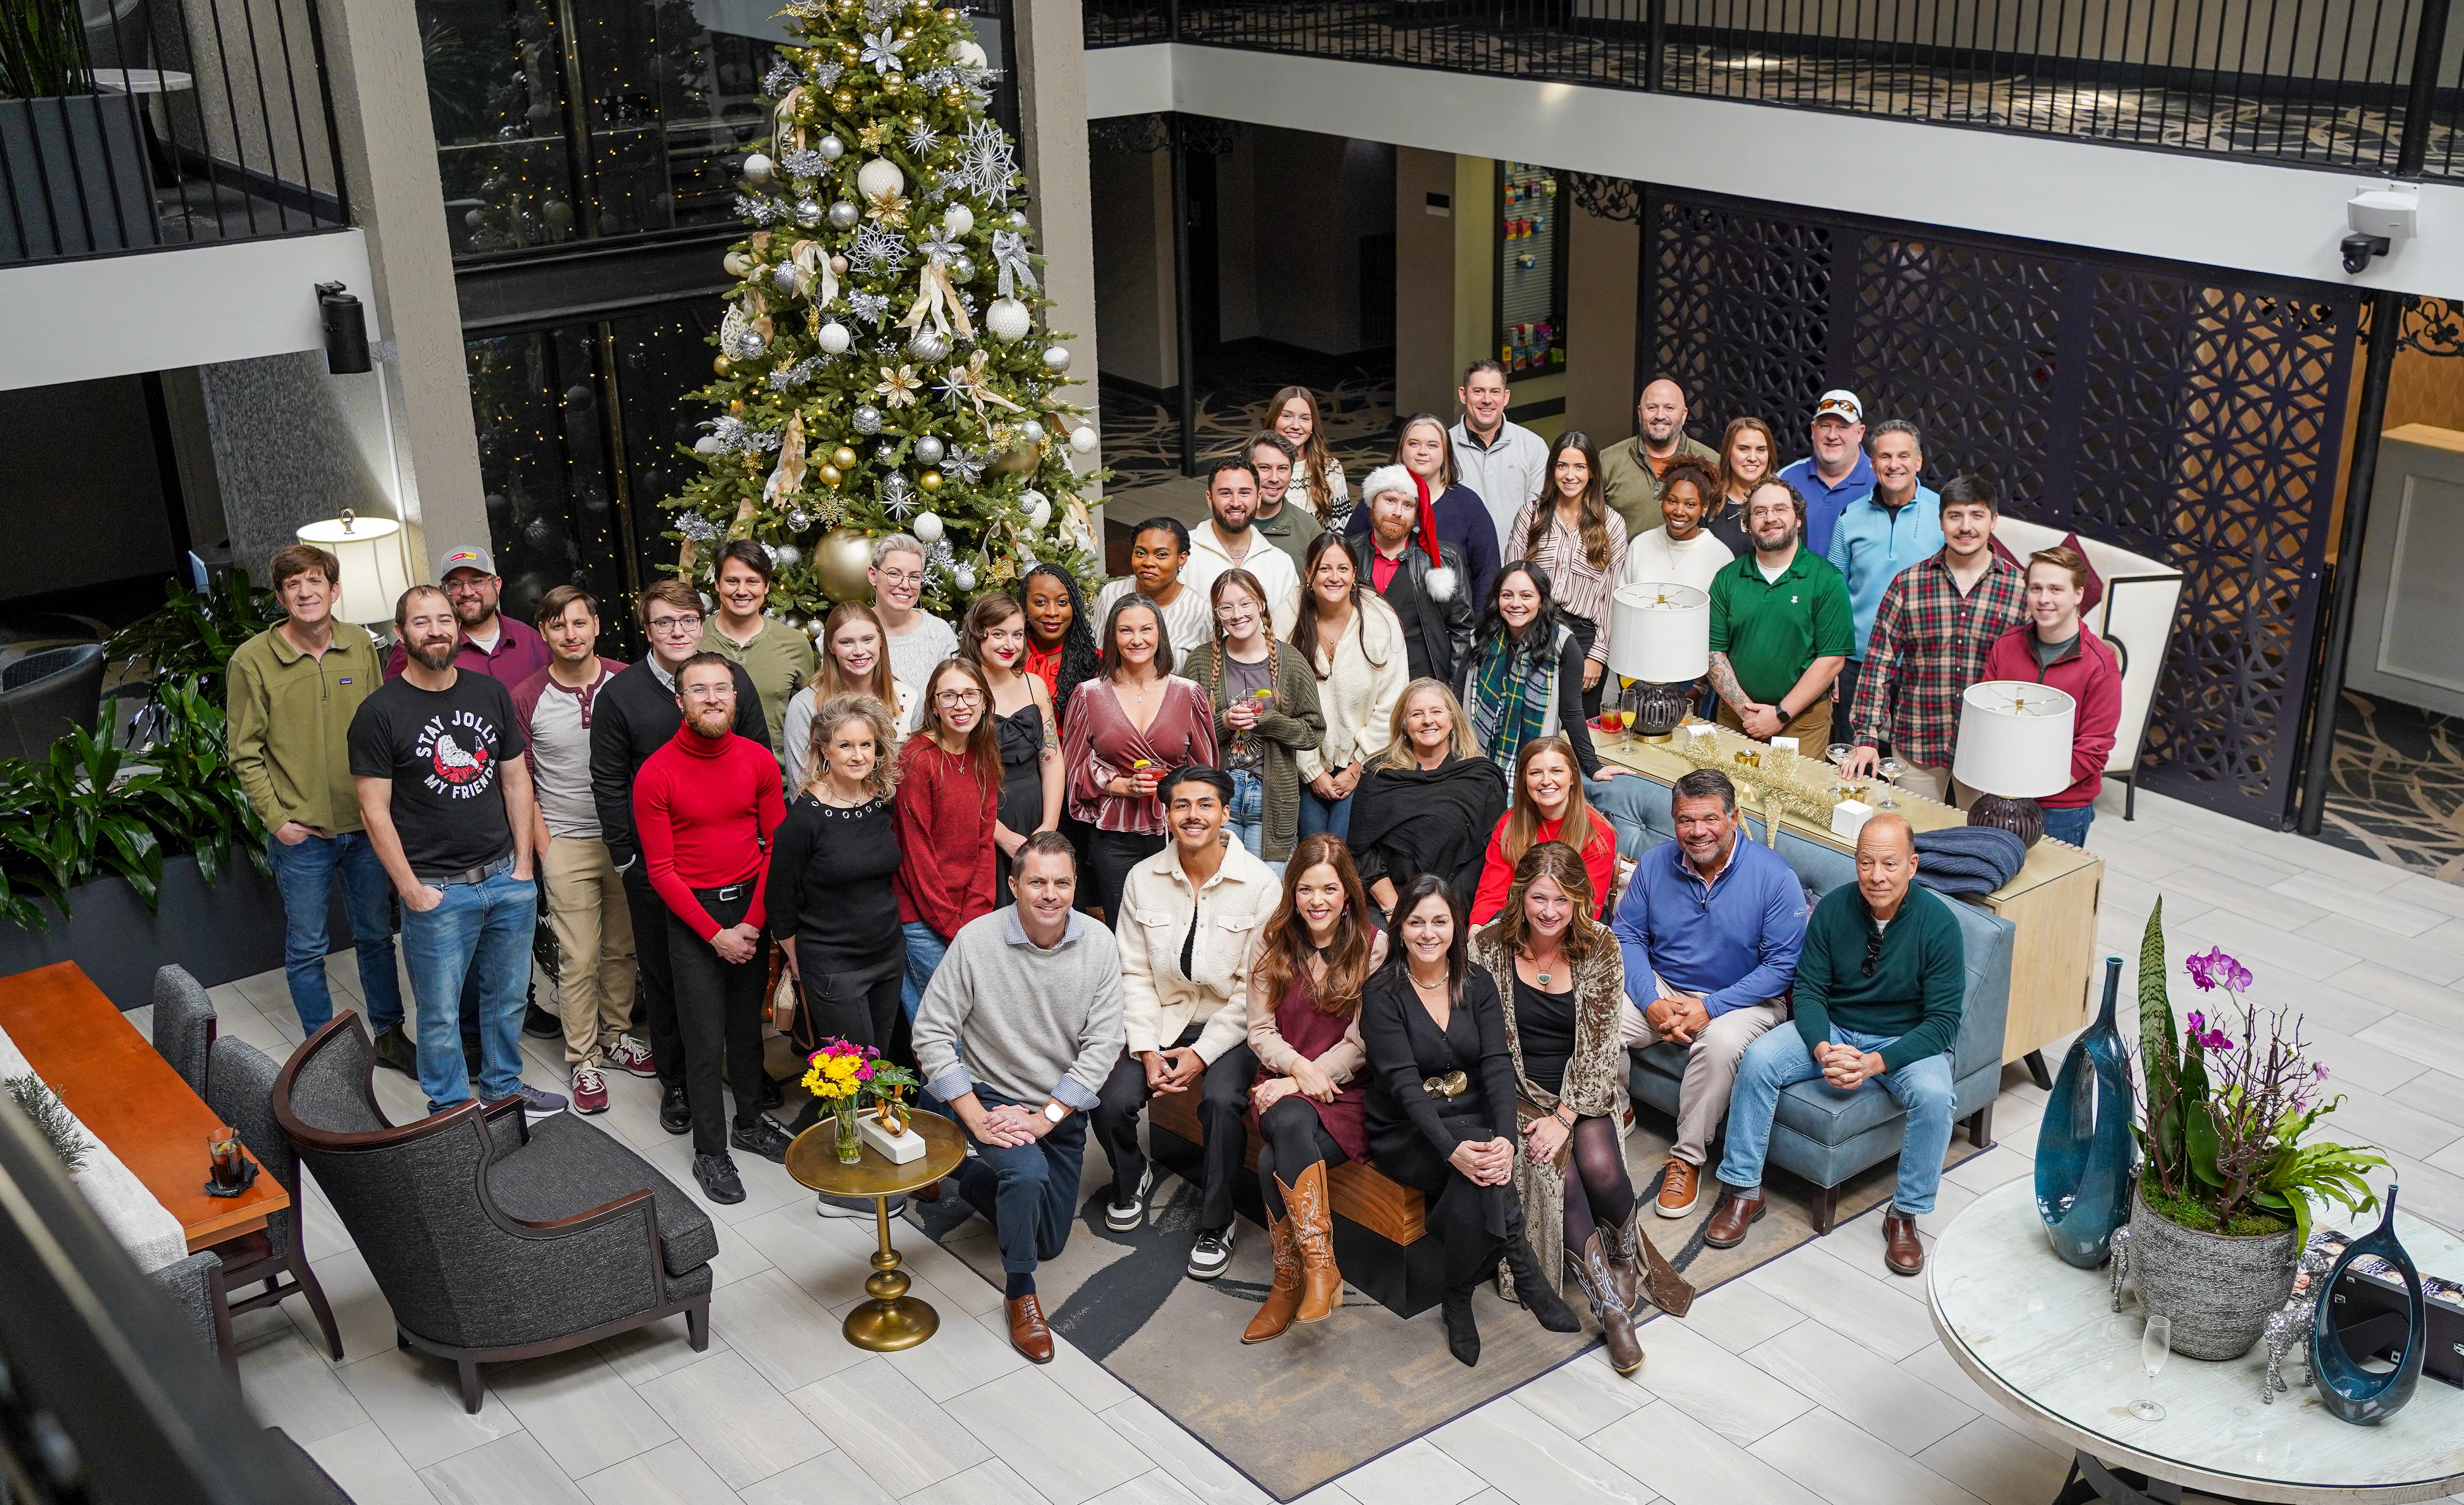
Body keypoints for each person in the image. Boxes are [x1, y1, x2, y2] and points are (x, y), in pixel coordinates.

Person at [1707, 814, 1961, 1277]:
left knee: (1935, 1095)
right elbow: (1808, 992)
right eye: (1866, 862)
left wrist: (1875, 1063)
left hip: (1901, 1039)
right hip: (1836, 1029)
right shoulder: (1832, 909)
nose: (1876, 876)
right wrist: (1824, 1049)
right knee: (1760, 1058)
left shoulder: (1939, 924)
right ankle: (1744, 1189)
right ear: (1855, 861)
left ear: (1912, 865)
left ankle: (1904, 1213)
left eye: (1889, 863)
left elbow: (1943, 1023)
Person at [349, 585, 564, 1118]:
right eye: (421, 622)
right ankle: (449, 1110)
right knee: (442, 1014)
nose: (437, 630)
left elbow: (516, 782)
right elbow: (374, 811)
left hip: (504, 879)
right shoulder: (378, 713)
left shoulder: (487, 694)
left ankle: (503, 1088)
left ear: (458, 627)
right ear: (401, 635)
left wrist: (522, 866)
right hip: (436, 889)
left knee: (508, 998)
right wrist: (410, 890)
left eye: (444, 619)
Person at [913, 833, 1126, 1362]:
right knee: (1026, 1177)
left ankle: (956, 1168)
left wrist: (1045, 1118)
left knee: (1049, 1239)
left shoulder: (1099, 942)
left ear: (1075, 886)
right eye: (1036, 881)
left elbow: (1104, 1045)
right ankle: (1020, 1294)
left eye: (1061, 882)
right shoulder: (976, 941)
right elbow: (931, 1032)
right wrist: (977, 1118)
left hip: (1057, 1105)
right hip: (988, 1094)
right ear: (1013, 886)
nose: (1049, 894)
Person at [1360, 876, 1574, 1367]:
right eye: (1416, 922)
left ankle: (1456, 1298)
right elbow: (1405, 1089)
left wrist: (1506, 1139)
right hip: (1405, 1129)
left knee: (1483, 1170)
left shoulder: (1476, 982)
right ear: (1399, 927)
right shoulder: (1382, 992)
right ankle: (1525, 1273)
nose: (1428, 933)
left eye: (1439, 921)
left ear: (1456, 926)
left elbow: (1497, 1065)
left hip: (1473, 1114)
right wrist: (1450, 1149)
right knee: (1476, 1163)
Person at [1472, 842, 1667, 1374]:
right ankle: (1609, 1308)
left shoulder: (1600, 946)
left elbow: (1601, 1047)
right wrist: (1530, 1118)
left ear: (1580, 901)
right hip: (1515, 1092)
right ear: (1521, 896)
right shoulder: (1487, 946)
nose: (1550, 911)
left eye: (1563, 899)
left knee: (1601, 1166)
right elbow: (1482, 1041)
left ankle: (1625, 1253)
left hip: (1580, 1087)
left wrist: (1564, 1117)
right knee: (1565, 1178)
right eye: (1539, 898)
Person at [592, 580, 767, 1139]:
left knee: (737, 978)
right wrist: (628, 860)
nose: (677, 632)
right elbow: (609, 781)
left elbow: (758, 751)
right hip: (657, 869)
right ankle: (678, 1085)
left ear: (701, 623)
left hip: (730, 864)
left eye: (687, 621)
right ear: (648, 630)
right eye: (664, 622)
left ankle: (745, 1081)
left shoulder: (728, 683)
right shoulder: (620, 696)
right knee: (666, 979)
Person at [1095, 765, 1279, 1278]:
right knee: (1108, 1098)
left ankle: (1216, 1222)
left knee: (1221, 1101)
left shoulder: (1261, 884)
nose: (1193, 815)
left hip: (1232, 1025)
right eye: (1181, 805)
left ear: (1226, 813)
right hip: (1161, 1020)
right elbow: (1130, 971)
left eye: (1205, 805)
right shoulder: (1142, 878)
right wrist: (1147, 1049)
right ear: (1167, 813)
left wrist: (1201, 1056)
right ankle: (1132, 1173)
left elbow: (1255, 990)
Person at [227, 543, 405, 1059]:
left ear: (334, 587)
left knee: (376, 936)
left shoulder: (358, 645)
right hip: (303, 835)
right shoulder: (252, 660)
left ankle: (391, 1037)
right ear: (282, 597)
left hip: (367, 827)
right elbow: (244, 752)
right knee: (308, 948)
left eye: (314, 581)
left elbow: (382, 729)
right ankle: (325, 1054)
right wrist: (279, 820)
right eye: (292, 585)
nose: (305, 592)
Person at [1610, 768, 1807, 1220]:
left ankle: (1687, 1158)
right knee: (1598, 1013)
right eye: (1685, 820)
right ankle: (1616, 1110)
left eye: (1709, 819)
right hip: (1664, 984)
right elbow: (1627, 938)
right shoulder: (1656, 864)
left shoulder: (1773, 877)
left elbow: (1782, 967)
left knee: (1719, 1043)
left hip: (1744, 997)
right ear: (1673, 820)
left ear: (1734, 818)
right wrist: (1650, 1000)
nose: (1697, 832)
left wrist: (1709, 1008)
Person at [633, 652, 793, 1204]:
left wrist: (751, 922)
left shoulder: (757, 761)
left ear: (736, 697)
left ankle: (749, 1124)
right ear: (680, 701)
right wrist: (715, 934)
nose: (711, 697)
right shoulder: (656, 772)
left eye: (721, 688)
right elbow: (661, 872)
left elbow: (776, 846)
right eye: (698, 689)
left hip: (749, 908)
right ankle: (711, 1150)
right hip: (693, 918)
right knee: (704, 1039)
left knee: (748, 1031)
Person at [1240, 835, 1388, 1343]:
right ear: (1292, 892)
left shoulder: (1374, 944)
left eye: (1329, 888)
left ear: (1347, 893)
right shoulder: (1269, 939)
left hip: (1347, 1091)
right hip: (1281, 1082)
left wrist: (1306, 1078)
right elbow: (1259, 1031)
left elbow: (1363, 1040)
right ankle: (1322, 1270)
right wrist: (1297, 1072)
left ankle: (1289, 1280)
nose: (1317, 901)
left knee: (1269, 1158)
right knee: (1286, 1118)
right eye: (1306, 889)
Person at [513, 586, 647, 1114]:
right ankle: (584, 1056)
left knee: (622, 948)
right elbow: (519, 778)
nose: (570, 634)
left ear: (595, 625)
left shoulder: (626, 680)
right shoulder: (527, 695)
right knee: (579, 955)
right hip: (565, 840)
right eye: (557, 625)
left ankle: (617, 1034)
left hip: (624, 839)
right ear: (544, 633)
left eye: (579, 622)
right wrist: (544, 844)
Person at [767, 692, 906, 1157]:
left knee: (879, 1063)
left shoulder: (881, 800)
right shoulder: (804, 819)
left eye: (866, 745)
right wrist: (796, 957)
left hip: (887, 955)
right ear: (823, 749)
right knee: (851, 1071)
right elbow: (778, 899)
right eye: (846, 746)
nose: (858, 755)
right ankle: (846, 1169)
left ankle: (872, 1157)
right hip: (833, 962)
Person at [1842, 476, 2030, 804]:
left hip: (1989, 749)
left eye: (1977, 515)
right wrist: (1867, 736)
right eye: (1955, 515)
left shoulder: (2020, 589)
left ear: (1994, 521)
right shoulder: (1908, 584)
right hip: (1918, 742)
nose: (1965, 526)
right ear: (1940, 521)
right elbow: (1878, 664)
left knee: (1981, 845)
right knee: (1914, 840)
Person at [1062, 594, 1219, 923]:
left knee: (1179, 925)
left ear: (1159, 634)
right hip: (1112, 838)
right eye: (1126, 631)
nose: (1137, 640)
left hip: (1177, 832)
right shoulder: (1088, 694)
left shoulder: (1189, 693)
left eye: (1146, 629)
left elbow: (1206, 775)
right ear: (1113, 637)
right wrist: (1118, 785)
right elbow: (1073, 771)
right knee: (1124, 927)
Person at [1456, 562, 1646, 812]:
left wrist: (1593, 766)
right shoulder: (1481, 637)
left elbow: (1571, 712)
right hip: (1475, 759)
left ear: (1542, 601)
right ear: (1497, 598)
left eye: (1526, 596)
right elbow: (1457, 696)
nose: (1516, 604)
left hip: (1534, 765)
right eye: (1507, 595)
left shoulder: (1563, 643)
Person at [1980, 546, 2122, 847]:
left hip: (2063, 808)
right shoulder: (2006, 645)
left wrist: (2032, 786)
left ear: (2079, 594)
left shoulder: (2101, 664)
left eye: (2056, 589)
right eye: (2036, 588)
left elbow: (2094, 749)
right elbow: (1986, 719)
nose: (2044, 599)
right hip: (2000, 795)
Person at [1184, 571, 1323, 868]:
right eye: (1226, 607)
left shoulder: (1292, 662)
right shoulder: (1201, 661)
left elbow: (1314, 731)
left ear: (1261, 604)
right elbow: (1183, 735)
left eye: (1246, 603)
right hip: (1217, 797)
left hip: (1271, 799)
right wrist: (1224, 722)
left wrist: (1271, 721)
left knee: (1269, 895)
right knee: (1218, 887)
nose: (1237, 615)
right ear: (1217, 614)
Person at [894, 657, 1005, 1020]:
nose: (961, 705)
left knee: (971, 1020)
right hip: (923, 917)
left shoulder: (982, 754)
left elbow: (984, 843)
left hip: (966, 915)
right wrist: (950, 925)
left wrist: (973, 918)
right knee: (944, 1026)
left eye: (971, 694)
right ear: (933, 705)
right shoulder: (918, 759)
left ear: (986, 702)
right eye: (949, 696)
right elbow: (915, 854)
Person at [1707, 479, 1854, 747]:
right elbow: (1713, 653)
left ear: (1798, 519)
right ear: (1747, 523)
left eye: (1780, 509)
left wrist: (1780, 714)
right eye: (1760, 512)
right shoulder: (1727, 578)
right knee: (1730, 790)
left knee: (1794, 792)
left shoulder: (1827, 579)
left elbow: (1832, 659)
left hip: (1802, 723)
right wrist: (1749, 714)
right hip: (1735, 719)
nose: (1770, 518)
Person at [1348, 680, 1509, 914]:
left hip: (1462, 904)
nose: (1427, 720)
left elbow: (1489, 854)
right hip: (1391, 904)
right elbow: (1360, 850)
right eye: (1417, 714)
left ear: (1452, 720)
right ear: (1404, 725)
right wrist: (1395, 909)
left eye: (1436, 711)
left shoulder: (1482, 777)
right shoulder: (1379, 775)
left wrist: (1448, 914)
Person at [1289, 532, 1407, 844]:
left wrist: (1359, 765)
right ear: (1308, 574)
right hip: (1303, 762)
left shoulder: (1380, 619)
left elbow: (1393, 700)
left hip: (1367, 763)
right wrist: (1312, 770)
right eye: (1324, 568)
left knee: (1347, 849)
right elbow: (1281, 701)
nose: (1334, 577)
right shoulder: (1288, 615)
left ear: (1355, 574)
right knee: (1312, 850)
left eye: (1343, 568)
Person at [1824, 420, 1941, 729]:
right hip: (1857, 662)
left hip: (1922, 664)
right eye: (1885, 457)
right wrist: (1831, 662)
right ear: (1873, 463)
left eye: (1904, 456)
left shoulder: (1945, 514)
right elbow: (1831, 597)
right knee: (1852, 755)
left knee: (1908, 763)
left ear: (1918, 461)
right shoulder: (1850, 516)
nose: (1894, 465)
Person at [1507, 431, 1628, 716]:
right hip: (1533, 629)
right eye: (1562, 465)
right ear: (1552, 470)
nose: (1570, 475)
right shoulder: (1531, 516)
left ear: (1592, 474)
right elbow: (1510, 582)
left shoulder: (1612, 524)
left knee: (1579, 730)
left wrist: (1598, 656)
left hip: (1583, 638)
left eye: (1579, 467)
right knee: (1529, 721)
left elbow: (1612, 598)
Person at [1347, 414, 1502, 613]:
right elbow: (1348, 555)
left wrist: (1477, 629)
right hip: (1378, 618)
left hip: (1448, 623)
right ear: (1401, 450)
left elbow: (1488, 573)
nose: (1422, 452)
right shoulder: (1378, 499)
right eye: (1414, 444)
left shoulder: (1468, 504)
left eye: (1432, 445)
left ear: (1445, 453)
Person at [961, 594, 1064, 889]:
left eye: (1017, 634)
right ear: (979, 635)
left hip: (1035, 811)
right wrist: (1000, 833)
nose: (1010, 645)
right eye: (998, 634)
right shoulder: (962, 689)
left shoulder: (1034, 685)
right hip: (983, 815)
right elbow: (958, 774)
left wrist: (1049, 827)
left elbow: (1052, 758)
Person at [1470, 735, 1617, 925]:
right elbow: (1492, 895)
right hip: (1512, 924)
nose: (1546, 781)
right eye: (1536, 773)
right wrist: (1478, 928)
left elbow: (1587, 910)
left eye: (1556, 771)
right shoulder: (1509, 824)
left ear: (1572, 776)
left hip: (1569, 930)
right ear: (1524, 780)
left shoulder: (1599, 833)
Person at [1356, 463, 1476, 686]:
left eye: (1408, 505)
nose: (1398, 512)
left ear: (1417, 513)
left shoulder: (1444, 559)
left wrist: (1452, 693)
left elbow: (1462, 629)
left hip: (1421, 685)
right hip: (1360, 681)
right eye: (1390, 500)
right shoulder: (1348, 554)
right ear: (1373, 502)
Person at [698, 539, 817, 764]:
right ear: (717, 584)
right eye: (732, 581)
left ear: (766, 586)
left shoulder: (794, 644)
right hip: (705, 780)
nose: (742, 591)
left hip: (779, 783)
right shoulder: (693, 639)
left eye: (752, 581)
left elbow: (811, 718)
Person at [783, 602, 917, 788]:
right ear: (830, 646)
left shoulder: (907, 699)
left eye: (868, 640)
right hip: (830, 814)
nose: (859, 651)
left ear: (881, 640)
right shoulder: (806, 705)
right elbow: (802, 787)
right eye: (846, 642)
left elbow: (918, 780)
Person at [383, 545, 550, 685]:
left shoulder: (531, 640)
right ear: (444, 592)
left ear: (497, 585)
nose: (467, 592)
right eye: (455, 585)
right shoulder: (422, 645)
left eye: (477, 581)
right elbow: (394, 708)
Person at [1182, 458, 1301, 637]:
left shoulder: (1281, 563)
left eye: (1245, 493)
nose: (1236, 503)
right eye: (1225, 493)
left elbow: (1291, 633)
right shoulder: (1183, 554)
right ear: (1210, 499)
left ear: (1259, 498)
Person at [1599, 377, 1720, 545]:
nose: (1660, 416)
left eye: (1669, 408)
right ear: (1640, 414)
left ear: (1684, 415)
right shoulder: (1609, 461)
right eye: (1652, 408)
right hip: (1621, 568)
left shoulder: (1710, 462)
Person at [1450, 360, 1552, 561]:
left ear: (1506, 397)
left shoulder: (1533, 446)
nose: (1487, 400)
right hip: (1459, 568)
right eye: (1478, 391)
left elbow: (1541, 515)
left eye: (1495, 392)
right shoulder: (1443, 448)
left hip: (1517, 567)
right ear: (1464, 395)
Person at [1094, 517, 1213, 661]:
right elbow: (1097, 654)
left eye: (1162, 555)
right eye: (1141, 553)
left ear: (1181, 559)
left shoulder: (1201, 611)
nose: (1149, 562)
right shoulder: (1112, 594)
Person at [1776, 390, 1876, 558]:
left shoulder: (1880, 481)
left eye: (1843, 427)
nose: (1832, 436)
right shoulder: (1785, 479)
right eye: (1825, 426)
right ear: (1813, 430)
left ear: (1860, 433)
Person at [1619, 454, 1734, 596]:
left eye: (1690, 505)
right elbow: (1624, 600)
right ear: (1663, 501)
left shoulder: (1721, 556)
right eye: (1672, 501)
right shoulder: (1640, 545)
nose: (1679, 512)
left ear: (1705, 507)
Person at [869, 533, 959, 693]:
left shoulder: (939, 633)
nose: (905, 585)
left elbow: (953, 695)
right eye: (895, 574)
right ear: (873, 575)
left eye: (914, 577)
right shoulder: (849, 631)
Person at [1021, 562, 1101, 723]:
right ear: (1025, 607)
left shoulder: (1096, 663)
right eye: (1040, 603)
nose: (1052, 612)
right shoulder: (1009, 657)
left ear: (1074, 608)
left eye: (1063, 602)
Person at [1244, 431, 1324, 576]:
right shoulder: (1218, 521)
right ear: (1247, 471)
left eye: (1283, 469)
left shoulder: (1309, 530)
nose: (1274, 478)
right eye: (1264, 468)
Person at [1270, 384, 1349, 528]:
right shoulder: (1249, 463)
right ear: (1274, 420)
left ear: (1313, 426)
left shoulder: (1330, 469)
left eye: (1305, 419)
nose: (1296, 425)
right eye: (1287, 416)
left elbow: (1341, 529)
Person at [1709, 416, 1778, 558]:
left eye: (1761, 450)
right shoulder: (1709, 502)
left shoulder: (1785, 501)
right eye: (1744, 449)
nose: (1753, 458)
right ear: (1729, 452)